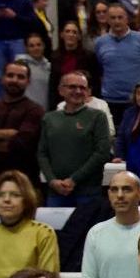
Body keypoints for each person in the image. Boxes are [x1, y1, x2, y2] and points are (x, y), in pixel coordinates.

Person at [39, 72, 112, 207]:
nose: (78, 91)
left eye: (82, 88)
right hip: (56, 191)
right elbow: (42, 153)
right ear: (61, 90)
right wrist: (52, 181)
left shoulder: (98, 117)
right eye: (72, 87)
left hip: (88, 191)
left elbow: (102, 153)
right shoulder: (49, 118)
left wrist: (74, 180)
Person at [94, 5, 140, 129]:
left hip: (139, 101)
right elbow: (99, 71)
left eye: (120, 17)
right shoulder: (100, 43)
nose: (117, 21)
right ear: (107, 20)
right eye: (113, 18)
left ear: (127, 19)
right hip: (111, 101)